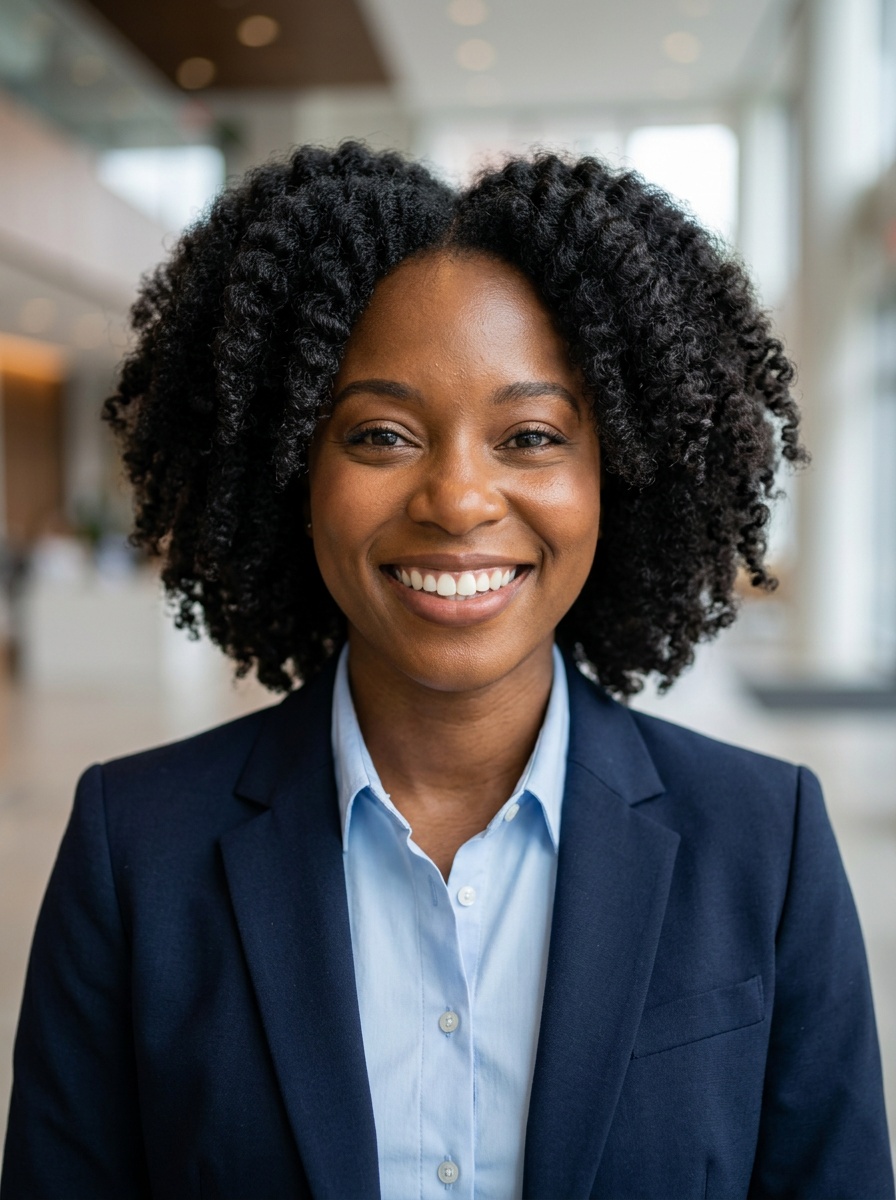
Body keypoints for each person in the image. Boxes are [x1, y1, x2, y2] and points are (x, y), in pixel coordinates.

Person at [1, 143, 892, 1200]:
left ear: (618, 470)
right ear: (292, 467)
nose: (457, 498)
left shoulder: (764, 842)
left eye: (527, 435)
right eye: (381, 433)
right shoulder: (135, 848)